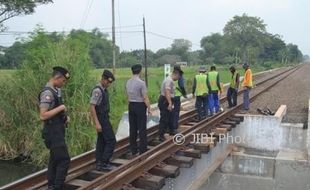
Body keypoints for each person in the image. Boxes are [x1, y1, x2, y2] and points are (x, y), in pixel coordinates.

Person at [38, 66, 71, 190]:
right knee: (64, 160)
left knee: (54, 159)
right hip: (52, 133)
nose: (63, 83)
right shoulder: (47, 93)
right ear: (58, 77)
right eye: (63, 81)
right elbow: (42, 115)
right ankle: (57, 187)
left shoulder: (56, 90)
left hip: (57, 131)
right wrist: (61, 108)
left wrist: (64, 118)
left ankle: (51, 185)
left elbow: (54, 112)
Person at [90, 70, 116, 171]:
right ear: (103, 79)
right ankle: (104, 162)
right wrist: (97, 123)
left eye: (110, 82)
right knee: (111, 140)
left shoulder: (104, 89)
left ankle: (99, 162)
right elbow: (92, 107)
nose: (109, 84)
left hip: (104, 117)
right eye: (108, 82)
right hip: (101, 119)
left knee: (101, 140)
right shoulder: (98, 90)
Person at [125, 64, 151, 156]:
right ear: (140, 71)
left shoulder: (128, 82)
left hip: (131, 105)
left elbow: (127, 96)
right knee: (142, 128)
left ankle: (133, 150)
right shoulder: (141, 83)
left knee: (133, 128)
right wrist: (149, 108)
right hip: (140, 106)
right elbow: (145, 97)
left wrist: (129, 107)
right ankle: (142, 149)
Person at [158, 69, 181, 142]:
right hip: (165, 101)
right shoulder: (169, 81)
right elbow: (167, 91)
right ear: (176, 74)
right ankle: (161, 135)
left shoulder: (170, 80)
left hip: (167, 100)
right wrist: (170, 103)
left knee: (170, 116)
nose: (178, 78)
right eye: (179, 77)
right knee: (164, 118)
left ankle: (171, 130)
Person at [172, 65, 187, 131]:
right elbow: (181, 86)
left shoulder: (171, 75)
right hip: (177, 96)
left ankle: (169, 126)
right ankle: (174, 127)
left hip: (170, 96)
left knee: (170, 111)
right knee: (176, 112)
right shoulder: (179, 76)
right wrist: (184, 93)